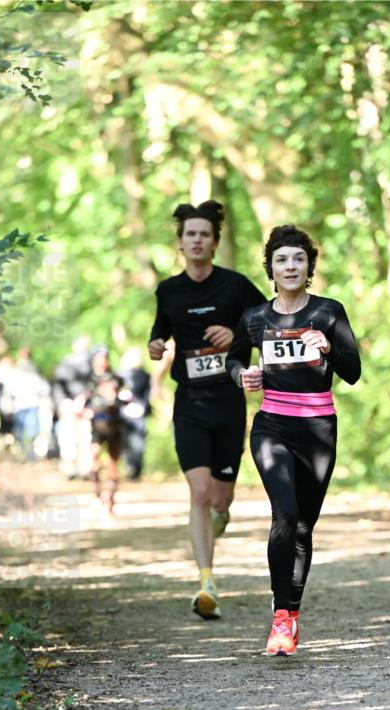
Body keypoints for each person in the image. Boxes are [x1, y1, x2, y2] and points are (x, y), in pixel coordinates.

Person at [226, 224, 361, 655]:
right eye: (282, 259)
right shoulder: (254, 318)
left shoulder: (328, 312)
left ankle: (292, 613)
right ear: (270, 267)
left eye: (298, 259)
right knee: (284, 514)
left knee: (304, 526)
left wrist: (329, 348)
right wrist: (241, 375)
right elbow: (233, 359)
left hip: (319, 429)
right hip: (272, 426)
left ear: (309, 267)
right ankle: (279, 616)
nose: (290, 266)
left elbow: (353, 372)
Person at [148, 199, 265, 620]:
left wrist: (233, 332)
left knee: (219, 498)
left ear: (214, 242)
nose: (197, 240)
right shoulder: (169, 290)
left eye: (204, 234)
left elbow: (266, 321)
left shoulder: (236, 286)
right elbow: (160, 332)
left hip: (229, 403)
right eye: (190, 234)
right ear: (180, 243)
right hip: (190, 404)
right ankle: (207, 581)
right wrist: (156, 345)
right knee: (198, 493)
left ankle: (223, 514)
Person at [78, 346, 130, 518]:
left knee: (113, 466)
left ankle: (111, 502)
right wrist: (82, 410)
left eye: (104, 358)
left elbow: (126, 399)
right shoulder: (88, 380)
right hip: (95, 427)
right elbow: (80, 402)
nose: (102, 361)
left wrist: (124, 400)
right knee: (94, 459)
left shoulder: (117, 379)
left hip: (115, 426)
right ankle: (96, 494)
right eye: (98, 358)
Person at [53, 335, 93, 479]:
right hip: (68, 406)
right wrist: (65, 403)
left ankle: (86, 469)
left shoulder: (92, 363)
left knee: (85, 439)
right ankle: (70, 468)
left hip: (86, 408)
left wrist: (84, 400)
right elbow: (58, 386)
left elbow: (94, 384)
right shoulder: (65, 364)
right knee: (68, 439)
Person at [119, 347, 152, 480]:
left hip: (134, 414)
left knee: (133, 443)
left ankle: (133, 468)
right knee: (133, 442)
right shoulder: (121, 375)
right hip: (130, 414)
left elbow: (147, 396)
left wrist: (142, 407)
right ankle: (133, 468)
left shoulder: (144, 375)